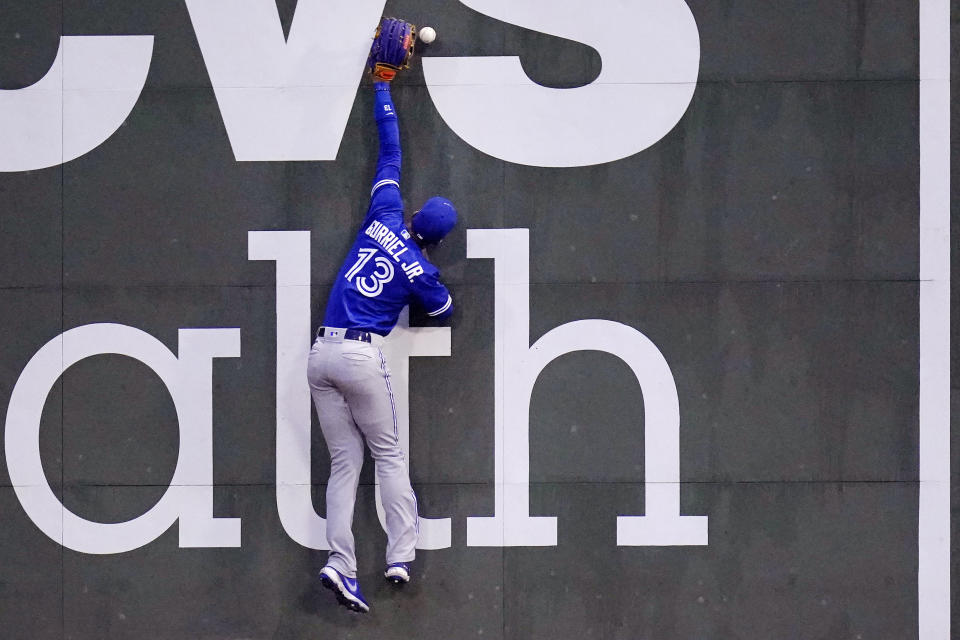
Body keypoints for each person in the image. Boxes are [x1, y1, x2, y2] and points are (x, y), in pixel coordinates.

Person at [308, 71, 457, 613]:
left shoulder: (385, 214)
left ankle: (339, 563)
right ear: (438, 240)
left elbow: (389, 151)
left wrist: (382, 85)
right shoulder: (423, 269)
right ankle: (399, 556)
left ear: (415, 215)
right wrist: (417, 286)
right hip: (359, 355)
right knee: (388, 455)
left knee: (345, 464)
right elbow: (442, 313)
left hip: (320, 353)